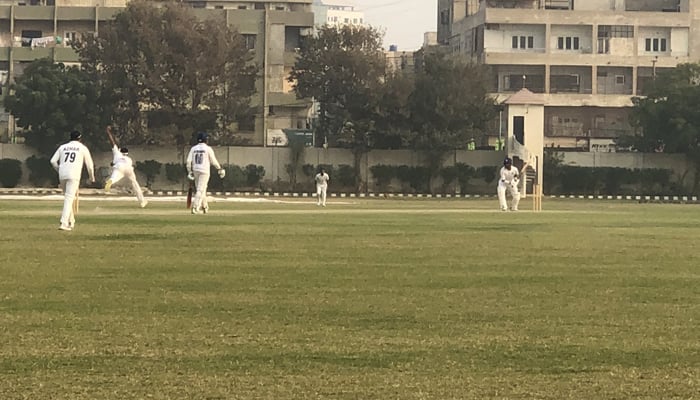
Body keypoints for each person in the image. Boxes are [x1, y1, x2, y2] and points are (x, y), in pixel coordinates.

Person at [50, 130, 96, 231]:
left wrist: (59, 170)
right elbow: (90, 165)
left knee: (68, 198)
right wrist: (92, 178)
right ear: (80, 138)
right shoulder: (82, 148)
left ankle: (71, 220)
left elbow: (53, 161)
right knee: (69, 198)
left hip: (62, 175)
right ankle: (63, 223)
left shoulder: (63, 147)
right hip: (74, 175)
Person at [104, 127, 147, 208]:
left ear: (120, 151)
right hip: (128, 168)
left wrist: (108, 132)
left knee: (114, 178)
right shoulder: (129, 159)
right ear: (127, 153)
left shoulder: (117, 153)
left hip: (119, 167)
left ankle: (110, 182)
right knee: (135, 183)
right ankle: (142, 202)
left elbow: (112, 142)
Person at [186, 132, 225, 214]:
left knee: (201, 189)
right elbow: (213, 161)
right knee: (201, 189)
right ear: (206, 140)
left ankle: (205, 206)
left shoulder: (193, 148)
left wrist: (189, 171)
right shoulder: (208, 149)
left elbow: (188, 161)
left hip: (195, 170)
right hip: (204, 171)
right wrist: (219, 168)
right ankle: (195, 207)